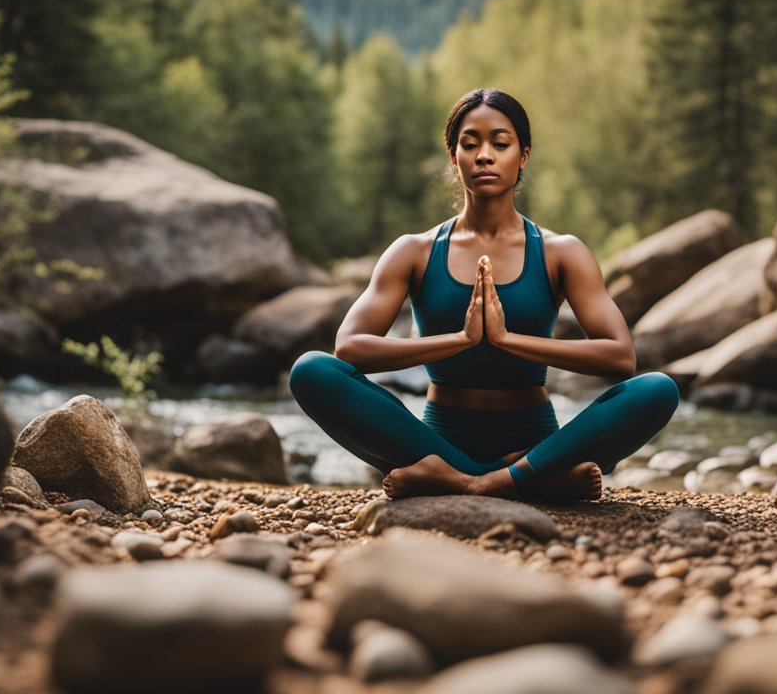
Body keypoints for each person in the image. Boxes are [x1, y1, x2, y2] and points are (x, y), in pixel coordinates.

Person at [289, 88, 679, 501]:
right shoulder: (414, 252)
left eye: (500, 143)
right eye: (470, 144)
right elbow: (349, 349)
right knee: (311, 370)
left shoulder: (561, 252)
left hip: (532, 438)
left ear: (523, 155)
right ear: (453, 157)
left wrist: (509, 340)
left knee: (657, 389)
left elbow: (620, 357)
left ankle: (472, 481)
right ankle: (527, 479)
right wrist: (461, 340)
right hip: (435, 443)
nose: (484, 156)